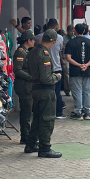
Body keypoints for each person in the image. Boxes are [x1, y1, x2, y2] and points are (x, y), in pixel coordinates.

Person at [24, 29, 63, 157]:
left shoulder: (32, 52)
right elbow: (46, 78)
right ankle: (45, 148)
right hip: (45, 91)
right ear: (54, 41)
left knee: (37, 119)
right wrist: (57, 77)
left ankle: (30, 144)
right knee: (47, 119)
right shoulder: (44, 54)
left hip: (35, 88)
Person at [65, 23, 90, 120]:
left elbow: (68, 57)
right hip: (87, 70)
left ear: (75, 31)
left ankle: (78, 112)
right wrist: (86, 65)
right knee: (87, 91)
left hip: (75, 70)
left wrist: (79, 65)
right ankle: (87, 112)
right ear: (84, 31)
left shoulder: (70, 42)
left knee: (77, 91)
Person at [13, 31, 36, 144]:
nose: (34, 42)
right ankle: (25, 136)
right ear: (28, 41)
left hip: (26, 84)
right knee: (26, 112)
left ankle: (26, 135)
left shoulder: (27, 51)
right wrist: (31, 77)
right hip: (23, 85)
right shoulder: (21, 52)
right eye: (33, 40)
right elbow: (17, 70)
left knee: (28, 111)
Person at [42, 19, 66, 119]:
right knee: (57, 92)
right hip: (57, 67)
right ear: (56, 27)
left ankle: (46, 112)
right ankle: (59, 113)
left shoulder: (39, 37)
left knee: (45, 92)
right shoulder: (60, 38)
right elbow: (60, 50)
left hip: (44, 68)